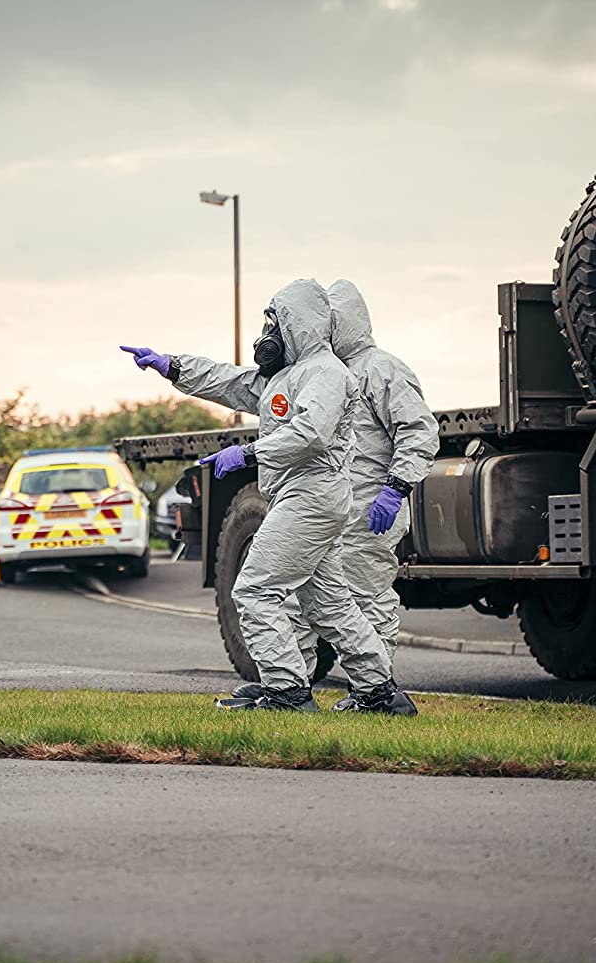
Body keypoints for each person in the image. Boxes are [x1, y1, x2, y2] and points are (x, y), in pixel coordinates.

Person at [120, 279, 414, 715]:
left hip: (311, 495)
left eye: (273, 321)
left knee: (255, 591)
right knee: (328, 602)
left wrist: (248, 453)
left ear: (297, 323)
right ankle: (378, 692)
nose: (267, 333)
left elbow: (311, 434)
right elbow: (228, 380)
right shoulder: (289, 377)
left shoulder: (327, 374)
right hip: (308, 496)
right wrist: (173, 366)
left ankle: (287, 693)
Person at [230, 280, 439, 709]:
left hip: (369, 509)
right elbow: (242, 386)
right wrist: (176, 367)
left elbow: (419, 430)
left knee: (367, 597)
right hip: (337, 504)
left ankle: (375, 691)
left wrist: (395, 488)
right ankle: (294, 681)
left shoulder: (382, 369)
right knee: (309, 597)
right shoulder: (316, 374)